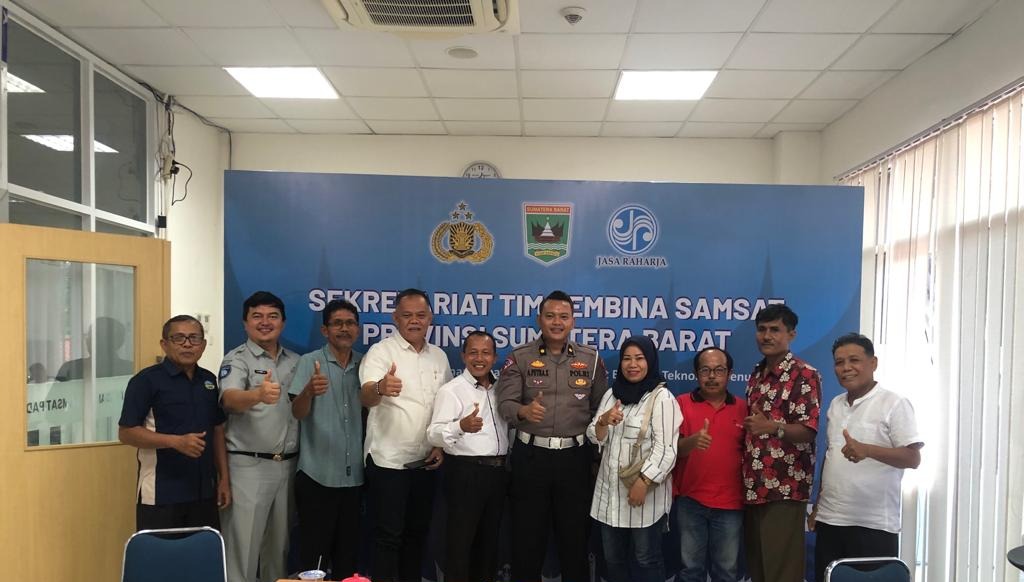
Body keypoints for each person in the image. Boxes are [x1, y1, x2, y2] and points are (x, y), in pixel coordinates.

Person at [496, 290, 609, 582]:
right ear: (539, 320)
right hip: (531, 459)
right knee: (527, 540)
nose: (557, 322)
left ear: (573, 321)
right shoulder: (520, 357)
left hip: (575, 460)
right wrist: (523, 412)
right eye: (550, 316)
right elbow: (505, 404)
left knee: (575, 540)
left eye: (563, 316)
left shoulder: (591, 359)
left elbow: (600, 409)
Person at [809, 333, 923, 582]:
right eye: (839, 362)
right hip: (830, 520)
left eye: (854, 360)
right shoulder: (836, 404)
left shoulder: (894, 403)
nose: (846, 368)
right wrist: (818, 506)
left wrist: (868, 450)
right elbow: (831, 455)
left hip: (873, 525)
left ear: (873, 363)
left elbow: (913, 458)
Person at [358, 288, 453, 582]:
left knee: (417, 536)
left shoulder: (439, 357)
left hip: (426, 463)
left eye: (421, 315)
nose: (414, 321)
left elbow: (445, 407)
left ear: (430, 318)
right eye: (407, 315)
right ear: (395, 318)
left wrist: (440, 447)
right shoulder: (381, 352)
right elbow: (365, 396)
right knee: (388, 538)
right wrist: (380, 388)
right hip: (389, 462)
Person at [118, 315, 230, 530]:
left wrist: (224, 479)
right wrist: (175, 442)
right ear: (164, 344)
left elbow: (217, 430)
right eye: (179, 338)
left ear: (203, 345)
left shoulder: (208, 380)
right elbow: (126, 432)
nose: (187, 344)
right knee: (161, 552)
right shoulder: (145, 381)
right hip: (161, 493)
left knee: (202, 550)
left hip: (204, 493)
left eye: (194, 338)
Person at [219, 291, 300, 582]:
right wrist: (257, 395)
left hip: (288, 466)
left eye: (272, 316)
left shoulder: (296, 361)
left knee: (278, 551)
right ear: (245, 323)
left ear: (283, 322)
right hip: (249, 467)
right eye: (257, 316)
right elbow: (229, 400)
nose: (265, 322)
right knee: (243, 552)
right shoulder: (237, 359)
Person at [588, 335, 680, 582]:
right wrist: (603, 421)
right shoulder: (611, 394)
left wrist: (644, 481)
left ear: (650, 361)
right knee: (613, 560)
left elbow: (667, 450)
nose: (632, 364)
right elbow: (594, 437)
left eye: (639, 358)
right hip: (609, 496)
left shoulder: (661, 398)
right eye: (627, 358)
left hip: (644, 498)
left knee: (646, 559)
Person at [742, 304, 822, 582]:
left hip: (784, 488)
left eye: (775, 329)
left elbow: (808, 430)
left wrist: (772, 427)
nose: (767, 336)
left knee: (782, 573)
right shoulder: (757, 373)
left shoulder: (804, 374)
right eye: (762, 329)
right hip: (754, 487)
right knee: (759, 570)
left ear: (792, 334)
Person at [289, 299, 365, 578]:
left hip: (354, 478)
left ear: (357, 329)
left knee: (348, 556)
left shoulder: (364, 364)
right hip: (316, 475)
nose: (344, 329)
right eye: (337, 323)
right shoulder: (309, 362)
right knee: (314, 559)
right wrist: (308, 391)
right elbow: (297, 413)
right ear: (325, 330)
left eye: (350, 323)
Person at [427, 331, 509, 582]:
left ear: (495, 357)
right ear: (463, 356)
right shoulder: (451, 390)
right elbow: (433, 434)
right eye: (473, 353)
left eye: (485, 353)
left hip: (498, 474)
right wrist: (460, 426)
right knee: (460, 546)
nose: (479, 358)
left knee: (489, 546)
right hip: (465, 473)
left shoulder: (502, 390)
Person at [673, 347, 747, 582]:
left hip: (730, 503)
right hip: (690, 501)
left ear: (730, 374)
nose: (712, 376)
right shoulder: (681, 403)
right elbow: (670, 452)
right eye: (705, 370)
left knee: (726, 571)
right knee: (690, 570)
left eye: (719, 370)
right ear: (696, 374)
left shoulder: (744, 408)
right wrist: (692, 442)